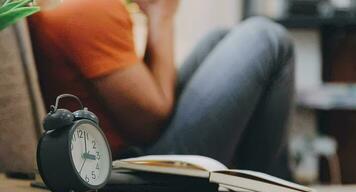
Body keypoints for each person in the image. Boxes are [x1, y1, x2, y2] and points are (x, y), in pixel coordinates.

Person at [29, 0, 294, 179]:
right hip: (130, 168)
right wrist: (161, 15)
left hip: (122, 147)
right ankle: (274, 180)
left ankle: (253, 181)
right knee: (268, 37)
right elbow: (150, 123)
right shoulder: (88, 9)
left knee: (220, 39)